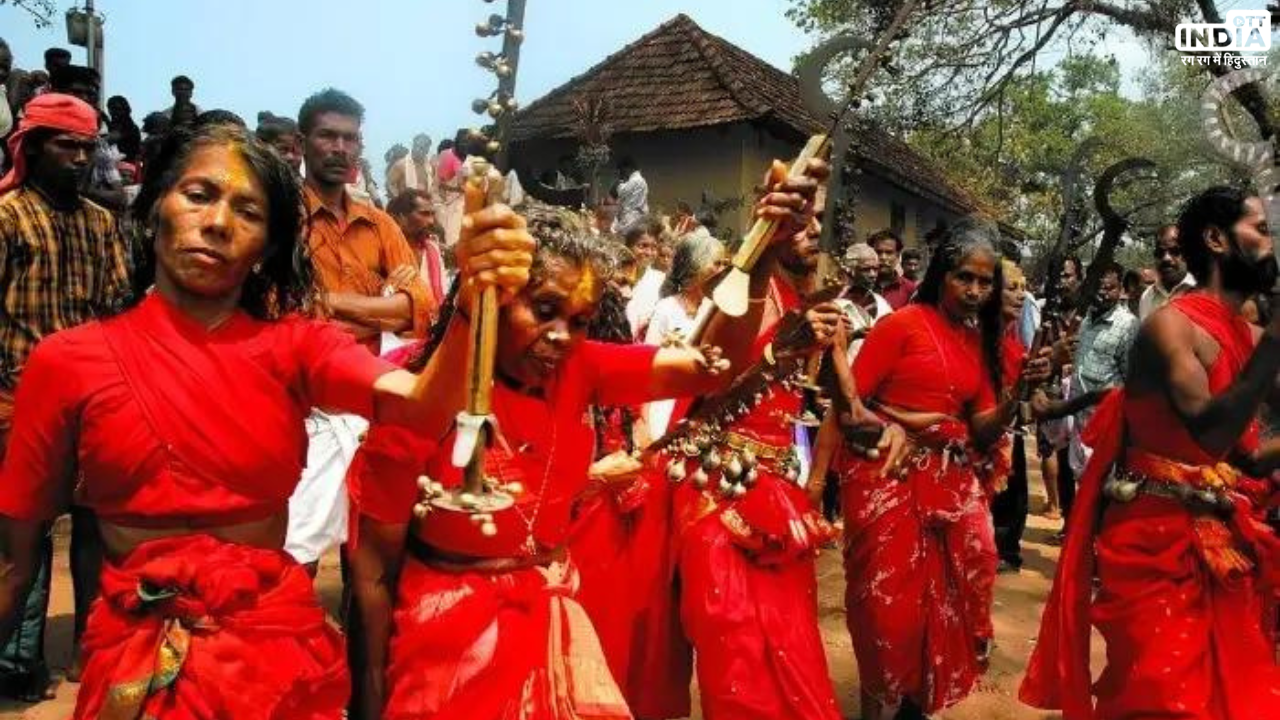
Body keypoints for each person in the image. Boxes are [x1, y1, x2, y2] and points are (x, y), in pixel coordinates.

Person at [0, 120, 533, 718]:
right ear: (154, 211)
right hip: (131, 658)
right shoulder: (66, 362)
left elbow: (425, 405)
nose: (220, 222)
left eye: (248, 211)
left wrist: (472, 296)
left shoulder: (299, 347)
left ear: (268, 247)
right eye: (199, 195)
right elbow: (14, 561)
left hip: (270, 656)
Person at [344, 157, 831, 720]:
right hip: (445, 648)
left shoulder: (582, 368)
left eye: (579, 320)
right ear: (491, 294)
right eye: (544, 310)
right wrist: (371, 697)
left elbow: (712, 370)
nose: (560, 337)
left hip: (557, 632)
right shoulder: (419, 395)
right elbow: (373, 572)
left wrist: (765, 251)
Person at [1023, 187, 1280, 719]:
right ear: (1215, 239)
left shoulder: (1251, 336)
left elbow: (1249, 460)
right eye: (1260, 228)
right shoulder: (1169, 325)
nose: (1270, 241)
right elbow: (1210, 431)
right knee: (1162, 700)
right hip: (1152, 542)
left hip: (1228, 539)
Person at [831, 218, 1047, 720]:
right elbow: (849, 409)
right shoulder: (902, 325)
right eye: (964, 278)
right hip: (886, 477)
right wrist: (896, 428)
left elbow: (984, 430)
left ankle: (915, 702)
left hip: (951, 485)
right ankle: (875, 703)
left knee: (968, 578)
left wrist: (1015, 395)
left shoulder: (980, 341)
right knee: (887, 608)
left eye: (984, 281)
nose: (975, 291)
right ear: (940, 275)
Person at [0, 92, 130, 701]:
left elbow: (115, 312)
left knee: (91, 528)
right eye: (64, 145)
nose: (78, 158)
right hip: (14, 401)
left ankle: (87, 645)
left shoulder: (102, 224)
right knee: (19, 540)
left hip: (90, 404)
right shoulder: (6, 217)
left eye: (86, 147)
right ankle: (15, 660)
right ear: (30, 146)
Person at [287, 88, 433, 572]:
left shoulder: (381, 225)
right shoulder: (281, 222)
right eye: (328, 135)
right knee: (293, 555)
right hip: (300, 405)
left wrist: (325, 303)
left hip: (369, 405)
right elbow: (282, 312)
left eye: (350, 138)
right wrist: (381, 308)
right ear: (302, 141)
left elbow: (420, 306)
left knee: (366, 552)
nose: (341, 148)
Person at [1036, 262, 1138, 515]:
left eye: (1109, 288)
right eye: (1098, 288)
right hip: (1078, 424)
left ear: (1121, 290)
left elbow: (1131, 382)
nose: (1103, 293)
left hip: (1106, 428)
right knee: (1082, 490)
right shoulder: (1084, 321)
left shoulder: (1128, 326)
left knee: (1102, 497)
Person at [643, 232, 726, 437]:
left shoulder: (718, 310)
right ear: (695, 266)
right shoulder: (666, 308)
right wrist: (643, 417)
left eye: (725, 264)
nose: (723, 270)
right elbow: (647, 363)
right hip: (664, 406)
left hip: (701, 409)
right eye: (717, 263)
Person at [991, 259, 1033, 573]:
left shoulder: (1015, 343)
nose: (1020, 296)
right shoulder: (984, 340)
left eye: (1023, 289)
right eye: (1012, 288)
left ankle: (1006, 550)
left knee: (1013, 492)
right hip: (987, 429)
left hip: (1009, 428)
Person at [387, 188, 446, 306]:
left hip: (433, 320)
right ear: (401, 217)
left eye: (432, 214)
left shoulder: (432, 250)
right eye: (424, 214)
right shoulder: (384, 250)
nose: (431, 221)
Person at [1138, 224, 1196, 320]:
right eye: (1160, 252)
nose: (1166, 258)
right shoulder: (1147, 297)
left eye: (1175, 251)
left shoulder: (1203, 291)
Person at [624, 220, 664, 338]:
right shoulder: (614, 276)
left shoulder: (660, 281)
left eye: (654, 248)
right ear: (628, 246)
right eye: (643, 246)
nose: (648, 252)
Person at [867, 228, 916, 310]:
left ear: (897, 256)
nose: (883, 257)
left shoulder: (910, 289)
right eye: (878, 252)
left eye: (889, 252)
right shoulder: (860, 287)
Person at [386, 132, 433, 200]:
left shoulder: (430, 167)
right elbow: (390, 184)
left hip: (425, 205)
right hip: (406, 206)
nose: (417, 149)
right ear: (413, 145)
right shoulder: (401, 165)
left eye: (421, 148)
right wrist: (398, 200)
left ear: (427, 150)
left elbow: (433, 187)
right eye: (415, 146)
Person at [611, 156, 648, 234]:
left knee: (618, 234)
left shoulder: (636, 180)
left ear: (628, 168)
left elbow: (619, 192)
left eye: (621, 170)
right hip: (633, 216)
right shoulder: (638, 180)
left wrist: (619, 181)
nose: (621, 173)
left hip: (633, 217)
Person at [105, 95, 142, 163]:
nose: (112, 112)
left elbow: (111, 139)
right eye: (110, 109)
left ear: (125, 109)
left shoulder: (130, 127)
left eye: (116, 109)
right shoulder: (118, 124)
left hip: (126, 167)